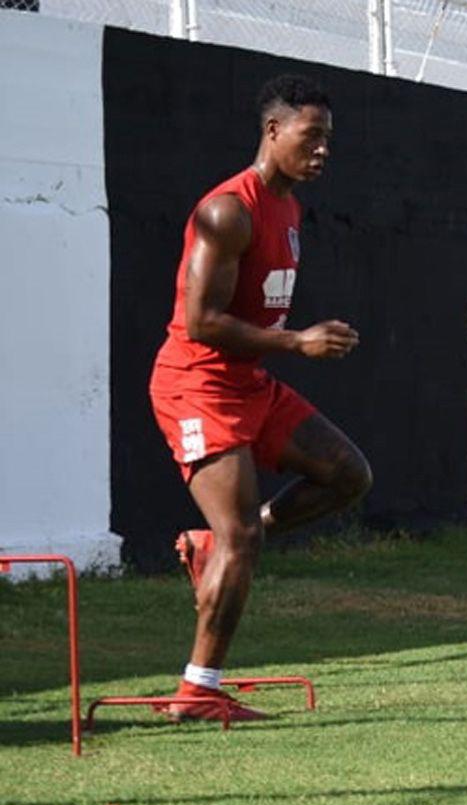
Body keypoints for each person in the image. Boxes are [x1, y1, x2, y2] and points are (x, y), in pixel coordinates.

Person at [150, 74, 373, 721]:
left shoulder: (291, 207)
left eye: (329, 139)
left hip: (250, 382)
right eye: (312, 136)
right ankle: (196, 692)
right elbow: (201, 321)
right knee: (240, 533)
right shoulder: (228, 210)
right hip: (197, 386)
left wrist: (288, 345)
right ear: (273, 132)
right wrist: (298, 342)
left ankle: (212, 548)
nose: (324, 150)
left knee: (346, 475)